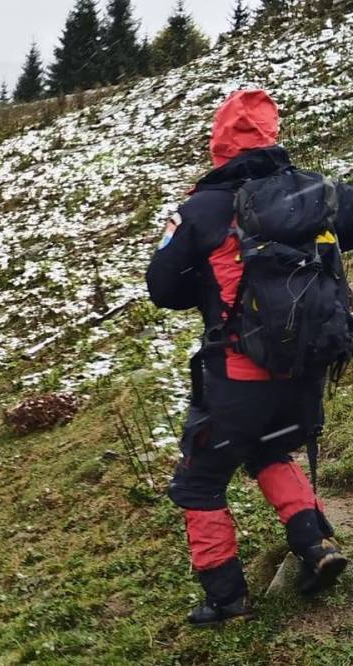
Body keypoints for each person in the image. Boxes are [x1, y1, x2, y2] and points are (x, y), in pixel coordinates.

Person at [147, 89, 353, 626]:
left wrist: (214, 284)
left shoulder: (201, 207)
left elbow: (163, 289)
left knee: (199, 482)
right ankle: (316, 546)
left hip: (238, 373)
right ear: (273, 136)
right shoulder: (325, 194)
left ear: (219, 146)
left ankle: (225, 597)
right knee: (269, 450)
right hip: (309, 368)